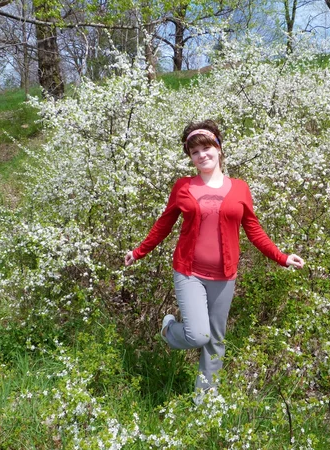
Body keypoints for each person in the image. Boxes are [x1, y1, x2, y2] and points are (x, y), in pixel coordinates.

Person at [124, 120, 304, 404]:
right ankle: (169, 329)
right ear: (190, 157)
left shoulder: (240, 188)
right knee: (198, 335)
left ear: (218, 149)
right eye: (194, 151)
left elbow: (253, 229)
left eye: (206, 147)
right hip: (189, 272)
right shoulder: (183, 187)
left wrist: (281, 257)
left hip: (225, 275)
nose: (201, 155)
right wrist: (139, 251)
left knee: (215, 340)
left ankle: (204, 399)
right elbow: (164, 224)